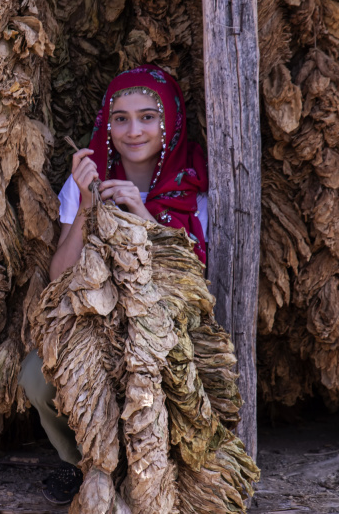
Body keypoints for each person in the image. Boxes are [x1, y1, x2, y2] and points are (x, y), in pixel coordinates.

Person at [20, 64, 209, 504]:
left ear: (171, 122)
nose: (133, 130)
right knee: (37, 377)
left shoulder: (195, 189)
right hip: (97, 322)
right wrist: (88, 206)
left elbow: (196, 278)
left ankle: (156, 473)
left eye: (148, 117)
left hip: (168, 327)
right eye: (120, 118)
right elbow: (60, 276)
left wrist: (139, 213)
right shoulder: (86, 180)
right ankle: (83, 463)